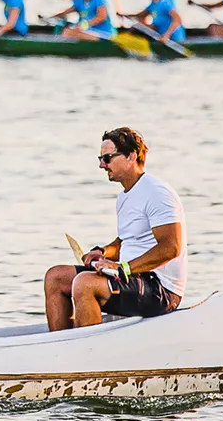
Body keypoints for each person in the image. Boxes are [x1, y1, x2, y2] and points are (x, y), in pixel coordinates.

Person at [41, 126, 184, 329]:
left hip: (161, 289)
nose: (101, 165)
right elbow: (126, 240)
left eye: (107, 158)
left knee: (84, 283)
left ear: (131, 157)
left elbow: (171, 247)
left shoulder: (157, 193)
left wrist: (122, 268)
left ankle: (87, 352)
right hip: (132, 277)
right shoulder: (125, 196)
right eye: (100, 158)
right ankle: (60, 348)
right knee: (55, 277)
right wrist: (102, 252)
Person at [114, 0, 185, 50]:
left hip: (173, 40)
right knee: (137, 25)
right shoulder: (153, 4)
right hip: (159, 35)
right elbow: (140, 15)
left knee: (139, 26)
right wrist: (123, 15)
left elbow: (178, 19)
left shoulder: (165, 2)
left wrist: (166, 36)